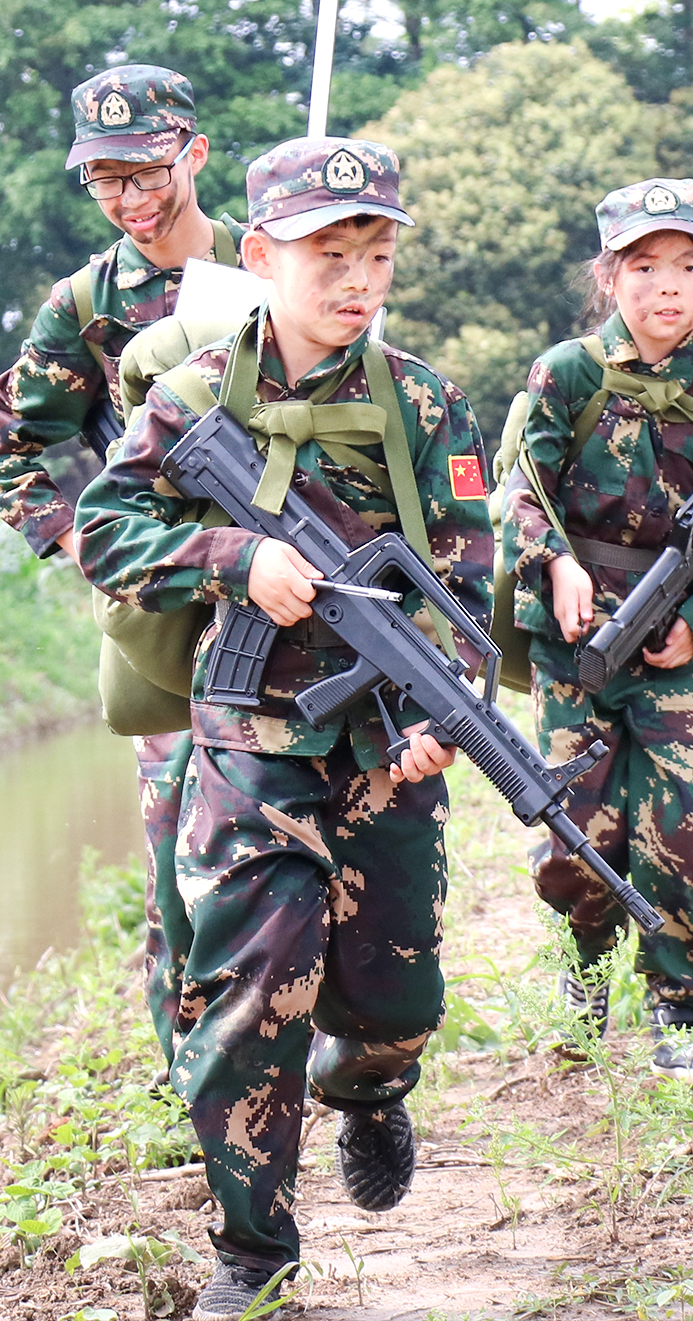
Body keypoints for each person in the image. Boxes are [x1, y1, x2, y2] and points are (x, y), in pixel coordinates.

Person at [75, 137, 492, 1321]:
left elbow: (467, 574)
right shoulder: (196, 396)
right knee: (248, 988)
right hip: (247, 733)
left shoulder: (424, 403)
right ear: (260, 255)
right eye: (329, 254)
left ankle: (369, 1090)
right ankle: (254, 1250)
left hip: (380, 748)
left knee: (394, 996)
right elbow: (107, 529)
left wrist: (436, 710)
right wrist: (235, 553)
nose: (357, 278)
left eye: (376, 253)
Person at [0, 65, 247, 1068]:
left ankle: (321, 1053)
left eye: (144, 169)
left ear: (193, 153)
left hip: (288, 593)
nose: (128, 196)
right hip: (167, 611)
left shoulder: (275, 266)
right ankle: (192, 1079)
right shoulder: (85, 304)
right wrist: (82, 537)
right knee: (179, 856)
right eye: (103, 179)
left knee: (313, 832)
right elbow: (5, 445)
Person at [501, 178, 693, 1086]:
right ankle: (583, 980)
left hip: (678, 637)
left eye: (689, 268)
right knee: (579, 830)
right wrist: (558, 567)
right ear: (610, 276)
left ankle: (681, 1008)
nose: (667, 287)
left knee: (685, 821)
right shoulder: (566, 372)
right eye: (646, 266)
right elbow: (520, 494)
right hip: (575, 634)